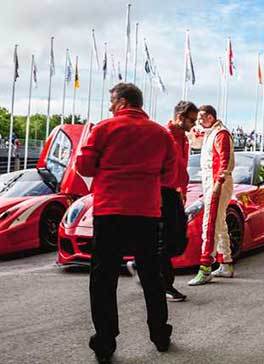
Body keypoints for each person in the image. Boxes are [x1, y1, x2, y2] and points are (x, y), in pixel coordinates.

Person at [76, 83, 175, 362]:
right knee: (151, 275)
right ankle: (160, 334)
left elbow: (84, 167)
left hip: (110, 213)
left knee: (104, 278)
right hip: (146, 213)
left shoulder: (104, 129)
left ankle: (106, 342)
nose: (109, 107)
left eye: (111, 101)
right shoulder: (161, 133)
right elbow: (169, 174)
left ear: (122, 101)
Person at [126, 101, 197, 302]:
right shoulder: (163, 134)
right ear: (180, 117)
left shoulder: (183, 138)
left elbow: (180, 167)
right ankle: (165, 284)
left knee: (177, 240)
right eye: (191, 120)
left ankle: (142, 265)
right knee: (166, 239)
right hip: (161, 191)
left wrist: (182, 190)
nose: (194, 124)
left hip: (173, 192)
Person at [188, 105, 235, 286]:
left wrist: (218, 184)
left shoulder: (220, 134)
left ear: (209, 116)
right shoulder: (210, 133)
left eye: (201, 117)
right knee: (220, 223)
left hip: (217, 184)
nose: (198, 121)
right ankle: (226, 263)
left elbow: (224, 162)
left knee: (210, 224)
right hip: (212, 182)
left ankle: (205, 267)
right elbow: (194, 142)